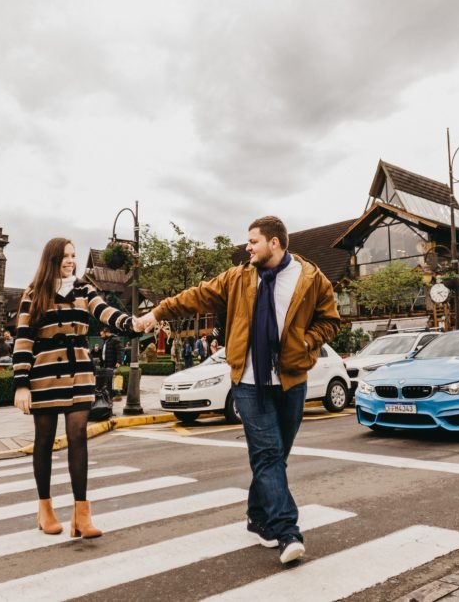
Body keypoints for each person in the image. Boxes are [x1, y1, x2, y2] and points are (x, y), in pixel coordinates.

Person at [135, 216, 340, 564]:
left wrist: (307, 340)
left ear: (275, 243)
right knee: (268, 454)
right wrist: (157, 312)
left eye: (254, 241)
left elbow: (331, 320)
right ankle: (287, 530)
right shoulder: (238, 278)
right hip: (247, 381)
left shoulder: (310, 278)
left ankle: (257, 517)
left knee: (276, 455)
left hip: (291, 380)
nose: (248, 247)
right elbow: (196, 296)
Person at [13, 237, 135, 539]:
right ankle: (45, 509)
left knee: (78, 436)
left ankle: (82, 514)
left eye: (73, 256)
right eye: (65, 256)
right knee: (44, 440)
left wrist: (133, 323)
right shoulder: (34, 293)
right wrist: (21, 385)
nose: (71, 261)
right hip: (44, 374)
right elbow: (24, 340)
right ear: (52, 259)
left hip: (79, 371)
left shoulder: (83, 289)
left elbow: (105, 312)